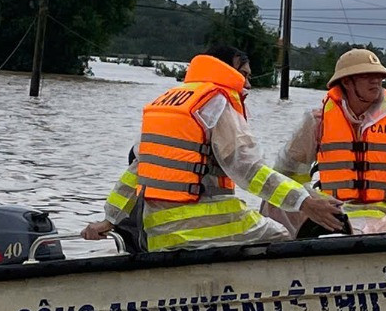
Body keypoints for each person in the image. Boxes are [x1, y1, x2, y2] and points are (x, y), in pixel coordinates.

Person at [82, 44, 346, 251]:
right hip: (203, 227)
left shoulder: (169, 103)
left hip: (158, 235)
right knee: (279, 235)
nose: (249, 85)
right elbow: (250, 172)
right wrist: (305, 203)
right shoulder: (216, 103)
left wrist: (110, 219)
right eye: (245, 75)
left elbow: (136, 170)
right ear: (226, 70)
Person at [273, 48, 386, 234]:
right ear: (346, 82)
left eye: (379, 75)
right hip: (334, 214)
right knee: (274, 199)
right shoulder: (318, 120)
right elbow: (287, 173)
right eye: (367, 75)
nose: (376, 80)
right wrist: (311, 202)